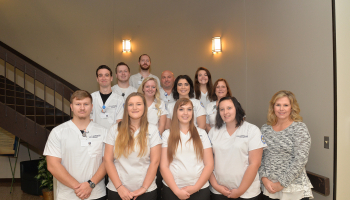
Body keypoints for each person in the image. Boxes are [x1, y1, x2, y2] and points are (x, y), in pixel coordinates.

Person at [44, 90, 107, 200]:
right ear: (71, 107)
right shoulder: (58, 132)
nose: (82, 108)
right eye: (78, 104)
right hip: (67, 195)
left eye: (86, 104)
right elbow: (53, 165)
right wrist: (79, 188)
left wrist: (90, 185)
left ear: (92, 107)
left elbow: (107, 161)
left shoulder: (104, 132)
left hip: (96, 194)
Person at [104, 92, 162, 200]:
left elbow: (155, 162)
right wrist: (120, 187)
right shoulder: (114, 129)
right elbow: (107, 160)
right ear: (126, 108)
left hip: (146, 190)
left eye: (139, 104)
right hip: (117, 190)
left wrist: (143, 188)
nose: (134, 108)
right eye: (130, 104)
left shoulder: (153, 130)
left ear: (144, 107)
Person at [259, 90, 313, 200]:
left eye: (285, 105)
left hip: (293, 189)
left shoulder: (299, 128)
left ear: (292, 107)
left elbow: (300, 160)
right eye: (278, 105)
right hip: (269, 188)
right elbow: (260, 156)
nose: (281, 109)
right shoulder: (265, 129)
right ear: (273, 107)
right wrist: (264, 178)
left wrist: (281, 184)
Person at [208, 96, 266, 200]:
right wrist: (217, 187)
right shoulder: (213, 132)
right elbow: (207, 162)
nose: (225, 112)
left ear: (237, 109)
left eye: (229, 108)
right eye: (222, 109)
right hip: (219, 191)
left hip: (247, 192)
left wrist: (240, 191)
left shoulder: (252, 130)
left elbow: (255, 163)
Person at [160, 98, 214, 200]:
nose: (185, 113)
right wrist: (176, 191)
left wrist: (196, 188)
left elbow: (209, 164)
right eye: (181, 109)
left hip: (199, 190)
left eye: (189, 109)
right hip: (172, 190)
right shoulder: (167, 134)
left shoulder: (201, 133)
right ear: (175, 112)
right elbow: (164, 166)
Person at [90, 65, 124, 129]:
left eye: (106, 75)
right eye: (100, 75)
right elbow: (89, 120)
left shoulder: (120, 100)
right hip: (95, 136)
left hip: (113, 137)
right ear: (97, 79)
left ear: (111, 78)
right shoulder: (91, 98)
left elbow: (119, 122)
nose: (103, 78)